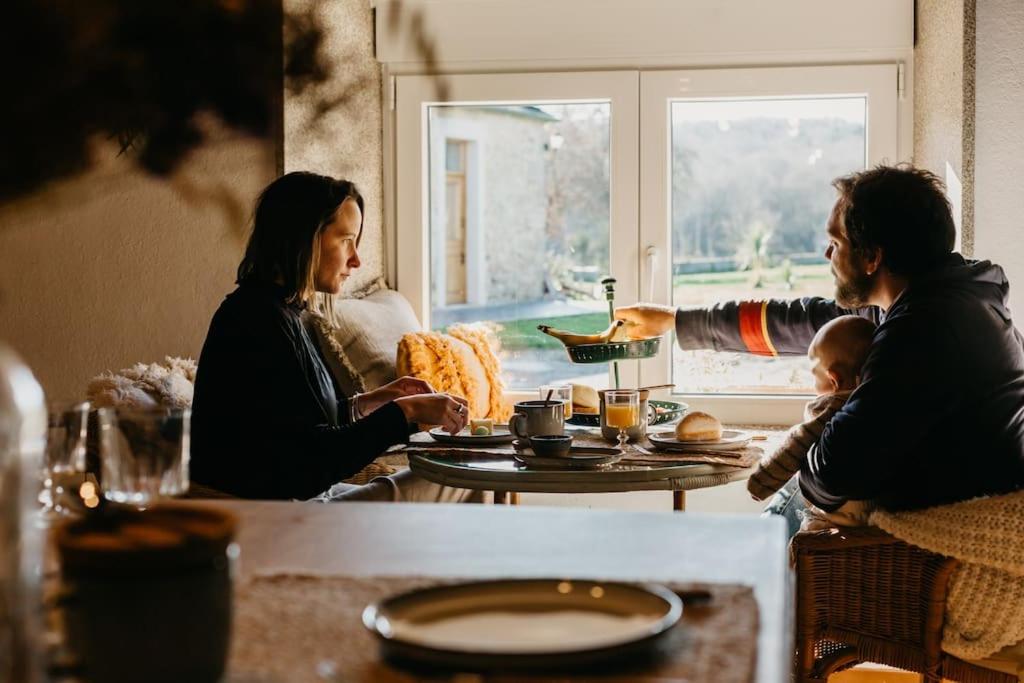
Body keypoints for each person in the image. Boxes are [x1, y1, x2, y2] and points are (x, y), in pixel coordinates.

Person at [617, 164, 1024, 522]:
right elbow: (800, 321)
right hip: (941, 486)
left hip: (937, 521)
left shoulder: (923, 330)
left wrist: (809, 442)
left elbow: (834, 472)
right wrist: (676, 321)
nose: (826, 251)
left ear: (872, 258)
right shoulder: (940, 295)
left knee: (772, 523)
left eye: (837, 241)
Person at [191, 172, 475, 501]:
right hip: (276, 518)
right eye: (345, 240)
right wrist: (405, 412)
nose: (356, 260)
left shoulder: (277, 310)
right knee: (458, 478)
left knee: (454, 472)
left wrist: (369, 402)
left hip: (299, 503)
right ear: (304, 238)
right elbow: (313, 465)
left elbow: (291, 427)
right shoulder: (256, 321)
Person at [746, 315, 876, 534]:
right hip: (874, 508)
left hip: (841, 512)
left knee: (802, 538)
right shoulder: (880, 401)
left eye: (814, 376)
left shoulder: (833, 406)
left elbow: (798, 442)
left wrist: (761, 482)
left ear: (834, 380)